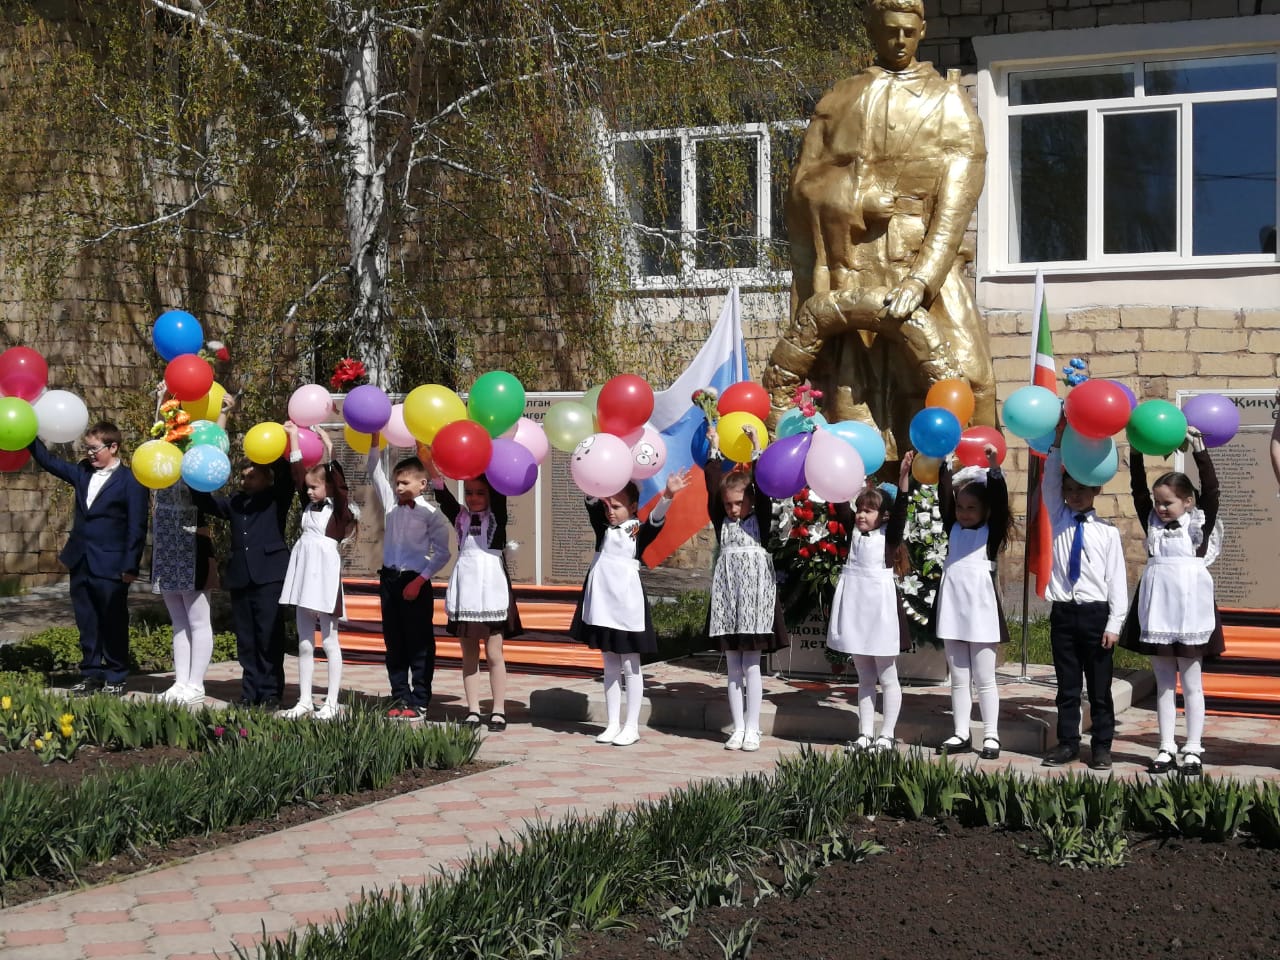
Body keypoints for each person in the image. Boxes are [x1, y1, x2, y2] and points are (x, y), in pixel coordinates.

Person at [761, 0, 993, 456]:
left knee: (970, 375)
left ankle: (965, 484)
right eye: (889, 31)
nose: (900, 41)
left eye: (908, 31)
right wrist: (855, 198)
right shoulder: (840, 98)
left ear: (923, 30)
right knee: (854, 395)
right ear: (872, 30)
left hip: (924, 261)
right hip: (853, 262)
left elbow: (957, 202)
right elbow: (802, 186)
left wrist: (922, 279)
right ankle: (863, 488)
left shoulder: (949, 101)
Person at [1119, 427, 1224, 776]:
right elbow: (1137, 489)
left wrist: (1199, 449)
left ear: (1187, 502)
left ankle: (1193, 747)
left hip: (1190, 611)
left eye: (1168, 502)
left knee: (1191, 683)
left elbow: (1212, 490)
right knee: (1164, 683)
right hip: (1158, 611)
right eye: (1158, 502)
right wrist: (1136, 450)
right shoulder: (1150, 521)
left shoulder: (1199, 524)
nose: (1160, 508)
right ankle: (1165, 746)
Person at [570, 470, 692, 747]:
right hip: (603, 603)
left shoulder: (636, 531)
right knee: (610, 663)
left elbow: (655, 523)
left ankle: (631, 725)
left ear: (633, 506)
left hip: (626, 604)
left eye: (616, 506)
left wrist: (668, 495)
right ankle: (613, 723)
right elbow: (591, 503)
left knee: (630, 664)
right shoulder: (603, 528)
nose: (610, 512)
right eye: (607, 506)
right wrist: (595, 479)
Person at [28, 422, 150, 696]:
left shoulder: (131, 480)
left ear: (113, 447)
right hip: (81, 559)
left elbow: (137, 527)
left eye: (94, 449)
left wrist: (130, 565)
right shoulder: (82, 471)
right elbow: (49, 461)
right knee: (87, 620)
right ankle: (90, 674)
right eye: (87, 448)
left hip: (112, 565)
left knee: (113, 621)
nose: (89, 453)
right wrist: (28, 436)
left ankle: (116, 676)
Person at [1039, 417, 1129, 771]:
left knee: (1100, 687)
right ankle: (1068, 743)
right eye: (1069, 488)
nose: (1074, 495)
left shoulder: (1108, 533)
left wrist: (1114, 623)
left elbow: (1117, 580)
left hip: (1096, 615)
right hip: (1064, 613)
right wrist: (1057, 444)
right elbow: (1048, 482)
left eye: (1081, 489)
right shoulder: (1059, 518)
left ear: (1096, 490)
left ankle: (1102, 746)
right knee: (1067, 686)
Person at [704, 424, 787, 752]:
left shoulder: (759, 521)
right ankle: (737, 727)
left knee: (752, 664)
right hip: (729, 600)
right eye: (729, 505)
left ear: (750, 500)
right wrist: (714, 451)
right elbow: (712, 489)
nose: (733, 509)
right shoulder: (722, 522)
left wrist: (756, 450)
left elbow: (764, 493)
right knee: (733, 666)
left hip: (755, 600)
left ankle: (753, 728)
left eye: (739, 503)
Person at [151, 388, 234, 705]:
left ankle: (196, 684)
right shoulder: (164, 457)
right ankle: (180, 681)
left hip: (191, 541)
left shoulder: (196, 459)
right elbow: (158, 438)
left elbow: (215, 449)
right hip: (167, 541)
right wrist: (161, 401)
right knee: (178, 620)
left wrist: (223, 414)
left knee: (198, 618)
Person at [191, 453, 293, 707]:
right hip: (241, 577)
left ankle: (270, 693)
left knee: (269, 636)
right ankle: (249, 692)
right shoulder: (235, 501)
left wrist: (277, 449)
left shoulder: (276, 498)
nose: (245, 481)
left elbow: (287, 477)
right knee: (246, 639)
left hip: (269, 575)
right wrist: (195, 477)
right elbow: (208, 504)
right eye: (243, 477)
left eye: (252, 477)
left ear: (267, 478)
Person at [828, 454, 914, 753]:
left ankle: (886, 735)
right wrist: (839, 470)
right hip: (856, 610)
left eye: (869, 511)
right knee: (864, 677)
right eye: (860, 509)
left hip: (880, 613)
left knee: (887, 675)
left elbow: (901, 509)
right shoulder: (852, 534)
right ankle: (864, 733)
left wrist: (903, 478)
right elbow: (840, 502)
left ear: (883, 516)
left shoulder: (889, 538)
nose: (861, 515)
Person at [932, 444, 1012, 760]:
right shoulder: (952, 527)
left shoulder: (991, 534)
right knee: (959, 676)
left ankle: (991, 735)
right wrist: (945, 463)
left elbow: (1001, 504)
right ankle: (960, 732)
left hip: (981, 610)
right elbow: (944, 498)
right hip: (953, 608)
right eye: (961, 507)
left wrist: (994, 470)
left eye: (972, 508)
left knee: (984, 677)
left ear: (986, 511)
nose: (964, 513)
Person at [366, 438, 451, 721]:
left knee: (419, 643)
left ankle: (421, 700)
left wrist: (420, 580)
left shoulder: (432, 514)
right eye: (397, 483)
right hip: (390, 580)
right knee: (394, 641)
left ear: (422, 484)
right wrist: (375, 440)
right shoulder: (391, 505)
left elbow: (443, 553)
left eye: (404, 482)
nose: (399, 487)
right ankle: (400, 696)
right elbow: (374, 470)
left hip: (415, 581)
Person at [430, 470, 522, 731]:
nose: (474, 497)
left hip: (491, 593)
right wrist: (432, 470)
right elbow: (444, 497)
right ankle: (472, 710)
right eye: (469, 492)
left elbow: (500, 495)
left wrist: (493, 461)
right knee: (469, 654)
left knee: (494, 653)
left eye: (481, 492)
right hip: (467, 594)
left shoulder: (497, 518)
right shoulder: (460, 517)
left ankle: (498, 710)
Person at [278, 422, 356, 720]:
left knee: (330, 641)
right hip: (303, 578)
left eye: (315, 487)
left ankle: (332, 702)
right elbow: (298, 474)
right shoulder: (307, 507)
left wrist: (330, 450)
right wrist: (294, 439)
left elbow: (342, 487)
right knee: (304, 641)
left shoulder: (338, 513)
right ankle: (304, 700)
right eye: (308, 488)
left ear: (328, 487)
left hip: (325, 580)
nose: (309, 492)